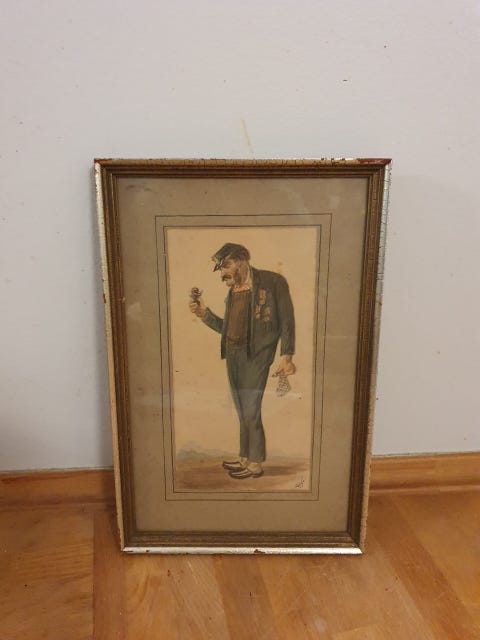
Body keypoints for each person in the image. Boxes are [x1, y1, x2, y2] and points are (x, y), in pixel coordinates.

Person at [189, 243, 296, 480]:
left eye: (226, 265)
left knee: (251, 409)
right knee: (241, 409)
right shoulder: (233, 292)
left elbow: (287, 321)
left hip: (256, 356)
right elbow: (227, 329)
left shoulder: (273, 282)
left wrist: (287, 356)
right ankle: (245, 457)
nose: (223, 273)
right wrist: (204, 314)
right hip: (233, 354)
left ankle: (255, 463)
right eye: (221, 268)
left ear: (242, 260)